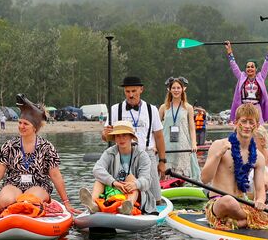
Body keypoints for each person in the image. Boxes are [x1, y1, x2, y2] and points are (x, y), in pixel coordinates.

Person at [0, 96, 76, 212]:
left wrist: (66, 202)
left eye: (26, 124)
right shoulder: (9, 146)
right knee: (5, 201)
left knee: (28, 202)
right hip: (14, 183)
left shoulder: (47, 147)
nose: (21, 126)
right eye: (20, 122)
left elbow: (56, 175)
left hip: (38, 184)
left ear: (35, 127)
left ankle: (39, 205)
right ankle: (9, 206)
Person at [199, 104, 268, 230]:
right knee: (229, 201)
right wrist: (218, 155)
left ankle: (241, 222)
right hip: (220, 203)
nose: (247, 126)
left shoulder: (258, 157)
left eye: (251, 122)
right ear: (235, 122)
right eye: (243, 121)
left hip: (242, 203)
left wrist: (260, 200)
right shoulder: (219, 145)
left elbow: (260, 189)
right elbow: (204, 179)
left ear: (256, 125)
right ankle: (252, 219)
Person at [103, 76, 166, 212]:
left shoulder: (151, 110)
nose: (130, 95)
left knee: (156, 197)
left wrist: (162, 161)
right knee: (121, 187)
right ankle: (119, 206)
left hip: (146, 155)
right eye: (127, 92)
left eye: (134, 91)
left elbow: (159, 137)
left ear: (141, 90)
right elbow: (106, 137)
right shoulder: (115, 109)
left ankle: (150, 211)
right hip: (122, 155)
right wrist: (105, 133)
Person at [79, 122, 152, 215]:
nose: (121, 139)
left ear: (131, 137)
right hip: (113, 191)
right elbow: (97, 169)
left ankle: (127, 206)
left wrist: (135, 184)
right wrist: (114, 183)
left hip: (134, 193)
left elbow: (146, 180)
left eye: (124, 135)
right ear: (114, 138)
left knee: (130, 178)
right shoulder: (109, 152)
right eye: (118, 136)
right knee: (99, 180)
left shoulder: (142, 155)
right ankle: (93, 204)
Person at [159, 76, 200, 181]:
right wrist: (155, 145)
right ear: (169, 89)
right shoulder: (163, 107)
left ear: (183, 89)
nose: (176, 90)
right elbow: (157, 129)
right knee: (166, 170)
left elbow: (191, 127)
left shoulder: (188, 107)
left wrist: (194, 143)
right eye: (174, 88)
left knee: (182, 171)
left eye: (178, 88)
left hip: (183, 143)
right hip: (167, 143)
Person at [226, 42, 268, 123]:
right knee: (243, 128)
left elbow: (266, 63)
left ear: (256, 69)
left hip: (256, 108)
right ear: (245, 69)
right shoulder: (241, 77)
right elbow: (234, 66)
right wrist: (229, 52)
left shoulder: (261, 77)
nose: (250, 69)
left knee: (257, 130)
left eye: (252, 67)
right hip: (244, 108)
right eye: (248, 67)